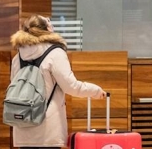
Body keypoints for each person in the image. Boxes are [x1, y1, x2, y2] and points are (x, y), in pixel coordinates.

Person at [10, 15, 106, 149]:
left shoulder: (18, 57)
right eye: (49, 21)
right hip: (48, 130)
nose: (52, 23)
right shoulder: (55, 53)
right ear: (47, 28)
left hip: (23, 125)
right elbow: (71, 86)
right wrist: (95, 91)